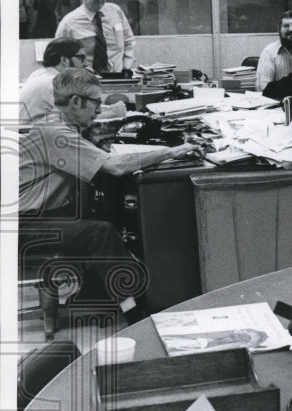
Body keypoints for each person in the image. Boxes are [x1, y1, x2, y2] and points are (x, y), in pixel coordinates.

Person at [19, 68, 198, 326]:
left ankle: (101, 295)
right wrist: (169, 152)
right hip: (22, 225)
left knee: (99, 212)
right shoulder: (56, 133)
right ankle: (136, 315)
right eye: (96, 103)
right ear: (76, 102)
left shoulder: (55, 124)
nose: (100, 110)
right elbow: (115, 167)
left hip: (36, 216)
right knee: (100, 232)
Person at [54, 0, 136, 74]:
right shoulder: (69, 23)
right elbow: (58, 55)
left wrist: (126, 68)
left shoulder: (116, 12)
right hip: (86, 84)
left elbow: (128, 42)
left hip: (118, 79)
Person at [19, 38, 87, 124]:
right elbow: (80, 117)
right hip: (35, 134)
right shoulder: (54, 83)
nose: (85, 63)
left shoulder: (39, 73)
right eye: (81, 58)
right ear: (64, 60)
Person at [255, 10, 292, 91]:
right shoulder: (269, 52)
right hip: (277, 102)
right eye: (286, 26)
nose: (290, 29)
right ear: (279, 30)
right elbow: (262, 89)